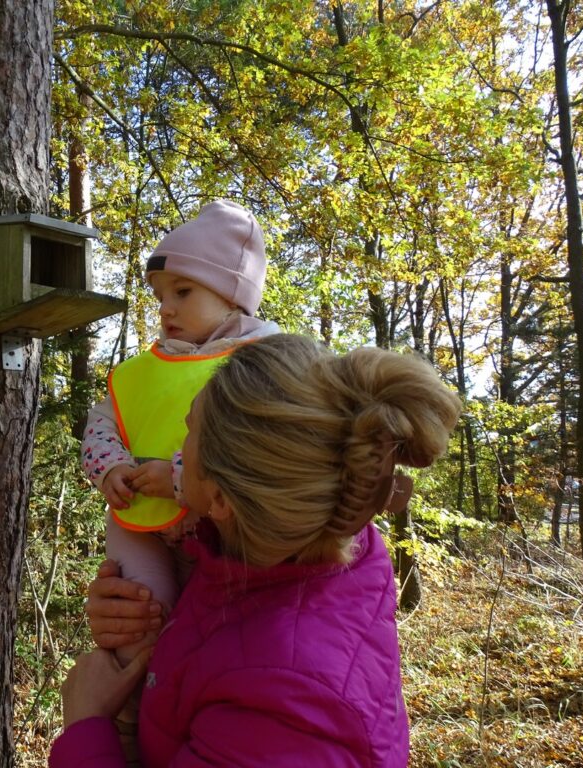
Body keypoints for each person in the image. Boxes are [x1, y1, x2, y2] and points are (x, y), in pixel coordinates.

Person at [53, 334, 462, 767]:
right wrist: (144, 617)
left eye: (188, 431)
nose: (175, 447)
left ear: (220, 499)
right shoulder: (315, 537)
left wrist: (86, 724)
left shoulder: (287, 706)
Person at [81, 200, 280, 665]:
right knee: (138, 618)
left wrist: (180, 477)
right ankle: (138, 682)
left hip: (227, 530)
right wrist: (110, 467)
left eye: (183, 291)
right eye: (160, 297)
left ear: (231, 294)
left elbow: (258, 446)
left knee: (222, 635)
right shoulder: (143, 371)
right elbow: (102, 422)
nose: (166, 308)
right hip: (141, 523)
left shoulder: (267, 361)